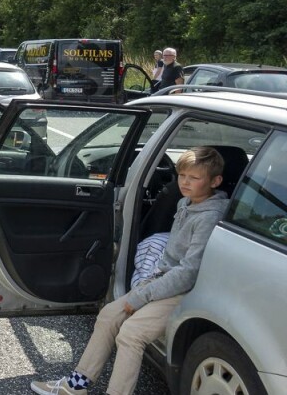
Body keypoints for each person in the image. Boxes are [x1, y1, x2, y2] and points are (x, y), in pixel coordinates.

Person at [31, 146, 229, 395]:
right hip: (164, 280)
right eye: (182, 175)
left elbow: (189, 273)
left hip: (185, 290)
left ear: (216, 181)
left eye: (194, 178)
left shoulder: (209, 216)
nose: (185, 183)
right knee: (108, 316)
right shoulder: (186, 202)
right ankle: (77, 384)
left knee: (131, 334)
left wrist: (141, 297)